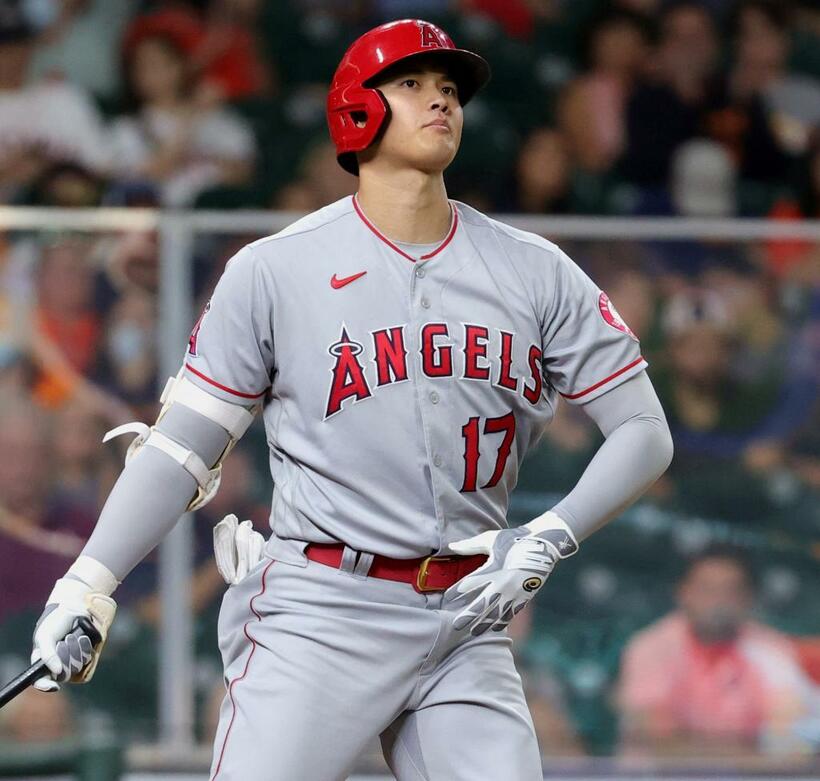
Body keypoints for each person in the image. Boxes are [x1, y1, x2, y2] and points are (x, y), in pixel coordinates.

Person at [29, 20, 673, 780]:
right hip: (323, 610)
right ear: (356, 110)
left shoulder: (535, 269)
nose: (441, 102)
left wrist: (550, 534)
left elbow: (643, 430)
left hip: (467, 617)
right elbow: (180, 446)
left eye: (449, 90)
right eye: (412, 85)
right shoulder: (274, 270)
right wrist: (88, 582)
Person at [616, 546, 817, 757]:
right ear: (683, 592)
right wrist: (741, 754)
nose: (719, 601)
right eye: (707, 589)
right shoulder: (651, 647)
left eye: (730, 590)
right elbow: (655, 738)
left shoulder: (772, 649)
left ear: (749, 596)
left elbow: (791, 739)